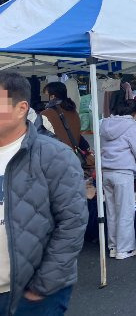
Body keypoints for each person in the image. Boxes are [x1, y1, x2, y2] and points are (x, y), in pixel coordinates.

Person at [0, 72, 87, 316]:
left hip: (34, 293)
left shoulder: (54, 156)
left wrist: (45, 283)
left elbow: (72, 222)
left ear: (21, 109)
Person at [101, 99, 136, 260]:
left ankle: (113, 247)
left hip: (106, 172)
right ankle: (124, 249)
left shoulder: (104, 125)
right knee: (125, 211)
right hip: (123, 172)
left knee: (111, 211)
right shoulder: (132, 127)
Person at [41, 81, 81, 150]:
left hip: (56, 156)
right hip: (73, 155)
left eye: (45, 95)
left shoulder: (46, 114)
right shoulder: (74, 112)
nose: (42, 98)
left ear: (52, 96)